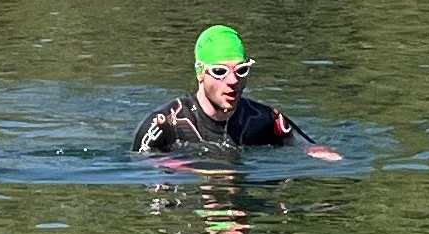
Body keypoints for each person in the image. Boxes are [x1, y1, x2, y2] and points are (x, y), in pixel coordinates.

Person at [132, 25, 343, 159]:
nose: (233, 81)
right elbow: (137, 174)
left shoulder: (265, 119)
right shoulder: (166, 125)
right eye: (220, 71)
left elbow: (314, 152)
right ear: (200, 73)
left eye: (241, 70)